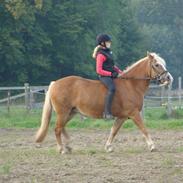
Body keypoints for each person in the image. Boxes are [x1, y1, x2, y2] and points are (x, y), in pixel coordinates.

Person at [92, 34, 123, 119]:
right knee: (112, 88)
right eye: (108, 42)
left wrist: (121, 72)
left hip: (111, 75)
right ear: (102, 43)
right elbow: (99, 70)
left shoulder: (108, 52)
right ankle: (107, 112)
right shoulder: (100, 55)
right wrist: (111, 74)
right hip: (104, 76)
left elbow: (112, 66)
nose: (110, 43)